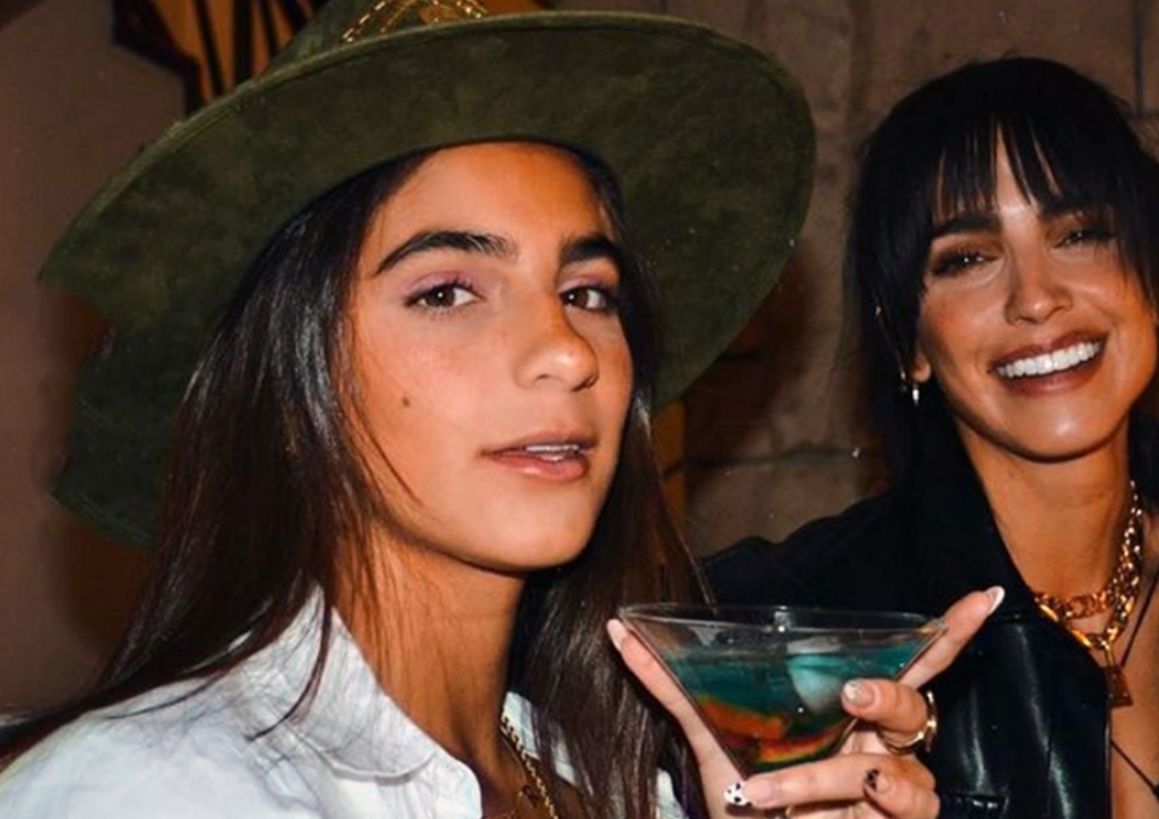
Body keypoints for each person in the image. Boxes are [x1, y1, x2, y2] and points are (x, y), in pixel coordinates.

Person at [0, 4, 998, 817]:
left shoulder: (618, 782)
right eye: (447, 291)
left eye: (589, 292)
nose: (567, 350)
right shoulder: (150, 789)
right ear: (290, 393)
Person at [707, 56, 1159, 818]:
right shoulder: (806, 620)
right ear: (909, 341)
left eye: (1080, 234)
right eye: (968, 258)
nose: (1036, 297)